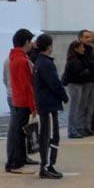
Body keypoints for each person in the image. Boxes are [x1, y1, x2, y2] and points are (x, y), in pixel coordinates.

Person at [32, 33, 68, 179]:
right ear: (49, 46)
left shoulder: (38, 62)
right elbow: (54, 83)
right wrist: (64, 96)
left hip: (44, 103)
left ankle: (47, 165)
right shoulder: (46, 63)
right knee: (51, 136)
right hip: (49, 104)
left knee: (48, 134)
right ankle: (47, 166)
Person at [5, 28, 37, 173]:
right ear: (26, 42)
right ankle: (16, 163)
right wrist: (33, 105)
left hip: (18, 99)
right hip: (22, 101)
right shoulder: (21, 60)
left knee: (18, 132)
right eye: (30, 41)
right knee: (19, 133)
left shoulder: (14, 58)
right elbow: (27, 85)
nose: (31, 44)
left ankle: (17, 161)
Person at [62, 38, 94, 138]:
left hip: (78, 84)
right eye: (81, 47)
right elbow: (78, 73)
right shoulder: (74, 61)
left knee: (79, 107)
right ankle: (73, 130)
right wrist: (87, 72)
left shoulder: (78, 59)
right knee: (75, 108)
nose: (83, 49)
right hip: (75, 85)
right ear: (76, 49)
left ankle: (77, 128)